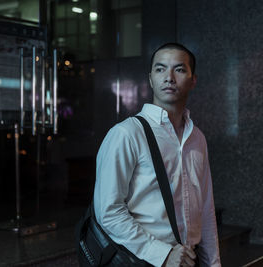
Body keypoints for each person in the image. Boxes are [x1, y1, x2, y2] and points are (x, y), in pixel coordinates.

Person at [93, 43, 221, 267]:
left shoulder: (197, 138)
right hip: (141, 259)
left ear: (193, 80)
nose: (169, 77)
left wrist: (213, 263)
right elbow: (109, 211)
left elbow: (206, 208)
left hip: (188, 260)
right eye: (160, 69)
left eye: (179, 69)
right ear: (151, 79)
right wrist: (161, 253)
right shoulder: (126, 134)